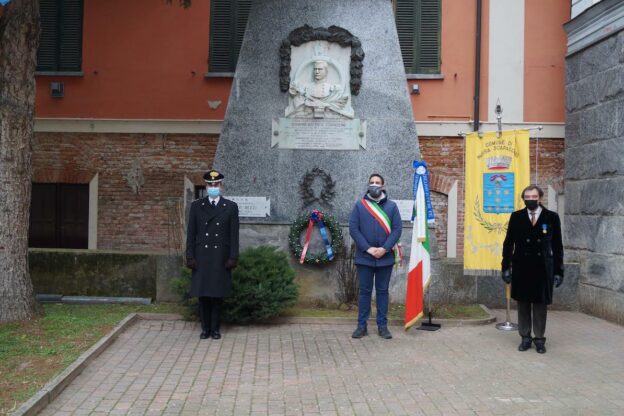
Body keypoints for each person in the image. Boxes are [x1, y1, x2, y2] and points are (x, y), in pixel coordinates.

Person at [501, 185, 564, 353]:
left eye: (533, 196)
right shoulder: (516, 217)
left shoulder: (551, 217)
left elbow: (557, 246)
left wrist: (559, 271)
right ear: (523, 199)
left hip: (543, 268)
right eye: (527, 197)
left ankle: (539, 339)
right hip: (522, 267)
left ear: (540, 198)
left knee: (540, 305)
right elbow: (508, 244)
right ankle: (525, 337)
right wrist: (505, 267)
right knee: (523, 304)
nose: (530, 199)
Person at [185, 169, 239, 340]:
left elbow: (234, 235)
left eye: (216, 184)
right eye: (210, 184)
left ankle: (215, 329)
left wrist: (233, 257)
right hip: (202, 256)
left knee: (216, 295)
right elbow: (191, 233)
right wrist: (190, 256)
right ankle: (205, 328)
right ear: (206, 186)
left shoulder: (230, 207)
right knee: (203, 295)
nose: (213, 187)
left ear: (221, 186)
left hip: (220, 257)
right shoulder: (196, 206)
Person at [349, 173, 402, 339]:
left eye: (377, 182)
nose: (374, 185)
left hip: (385, 258)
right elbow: (353, 229)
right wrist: (368, 248)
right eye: (372, 182)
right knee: (364, 292)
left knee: (382, 292)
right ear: (368, 185)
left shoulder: (392, 207)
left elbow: (397, 230)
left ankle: (382, 326)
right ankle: (361, 326)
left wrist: (385, 249)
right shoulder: (360, 206)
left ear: (383, 186)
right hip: (365, 257)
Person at [286, 59, 352, 118]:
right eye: (315, 69)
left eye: (320, 69)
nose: (317, 72)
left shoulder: (333, 89)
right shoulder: (306, 88)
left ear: (326, 71)